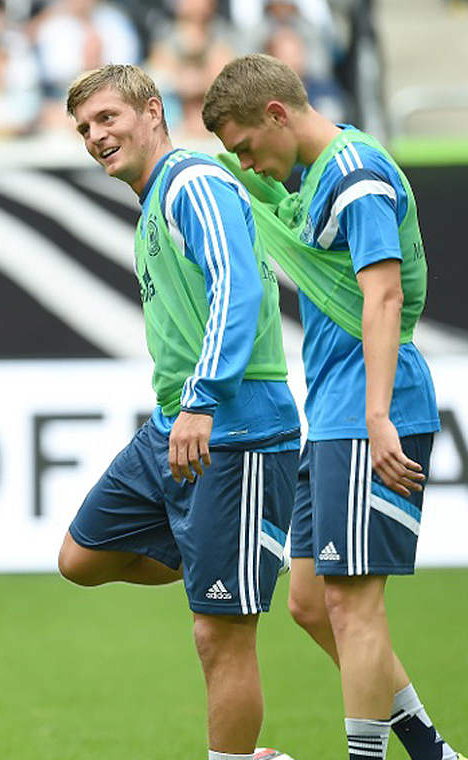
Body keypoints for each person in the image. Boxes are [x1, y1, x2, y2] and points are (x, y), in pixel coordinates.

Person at [203, 53, 463, 760]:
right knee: (313, 603)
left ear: (278, 114)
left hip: (370, 409)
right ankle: (431, 753)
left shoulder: (356, 175)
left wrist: (378, 416)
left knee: (353, 603)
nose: (250, 165)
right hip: (339, 410)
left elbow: (384, 295)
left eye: (248, 147)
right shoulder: (321, 177)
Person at [57, 64, 301, 760]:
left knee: (218, 633)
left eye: (107, 118)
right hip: (177, 427)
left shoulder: (193, 182)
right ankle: (228, 562)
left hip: (238, 427)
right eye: (84, 129)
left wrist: (201, 398)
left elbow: (239, 287)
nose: (96, 136)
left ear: (151, 110)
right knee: (82, 557)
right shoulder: (157, 199)